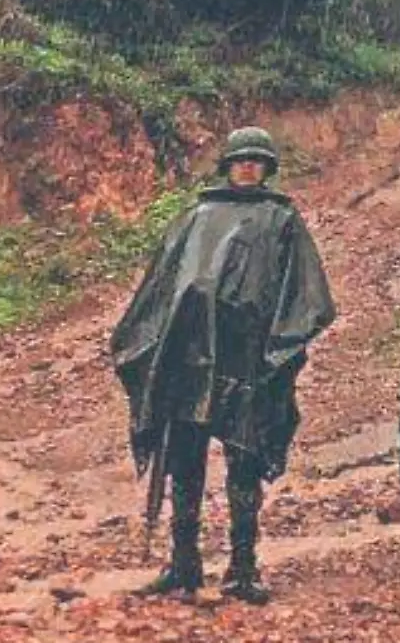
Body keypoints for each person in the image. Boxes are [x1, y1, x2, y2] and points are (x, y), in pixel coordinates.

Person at [110, 127, 335, 604]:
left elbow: (307, 297)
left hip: (247, 363)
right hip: (188, 362)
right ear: (227, 166)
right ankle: (184, 564)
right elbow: (163, 288)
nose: (248, 167)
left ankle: (243, 568)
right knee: (184, 464)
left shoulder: (283, 222)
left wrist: (276, 351)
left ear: (268, 168)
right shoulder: (194, 218)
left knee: (243, 465)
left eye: (257, 160)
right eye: (241, 160)